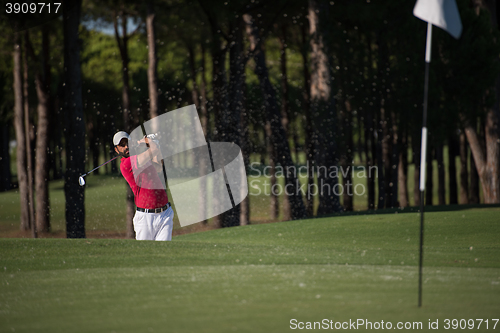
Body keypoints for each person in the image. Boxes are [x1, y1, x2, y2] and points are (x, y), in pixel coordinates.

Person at [113, 131, 174, 241]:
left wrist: (156, 145)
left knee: (164, 254)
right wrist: (148, 141)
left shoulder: (140, 159)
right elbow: (153, 150)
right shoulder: (126, 164)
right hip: (146, 218)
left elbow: (158, 166)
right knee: (146, 256)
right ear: (116, 149)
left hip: (165, 213)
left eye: (127, 143)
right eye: (122, 145)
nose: (126, 147)